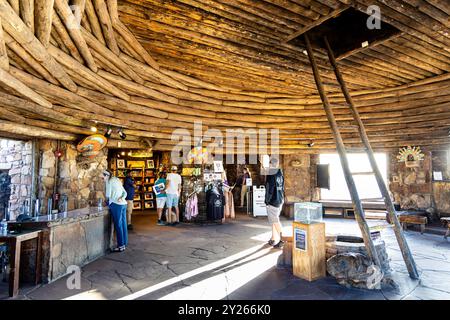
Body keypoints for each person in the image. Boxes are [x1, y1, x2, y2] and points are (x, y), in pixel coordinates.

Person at [103, 170, 128, 252]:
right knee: (123, 224)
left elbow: (108, 195)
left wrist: (105, 201)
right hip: (123, 204)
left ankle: (121, 246)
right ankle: (124, 243)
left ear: (106, 176)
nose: (102, 178)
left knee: (118, 225)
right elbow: (125, 192)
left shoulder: (108, 181)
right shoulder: (117, 179)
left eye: (102, 176)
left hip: (116, 205)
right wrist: (122, 198)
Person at [264, 158, 285, 248]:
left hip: (273, 201)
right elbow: (282, 187)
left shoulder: (271, 174)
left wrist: (267, 200)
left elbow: (269, 188)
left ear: (270, 164)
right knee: (273, 221)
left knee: (275, 221)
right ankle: (273, 238)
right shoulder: (280, 173)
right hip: (280, 199)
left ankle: (283, 239)